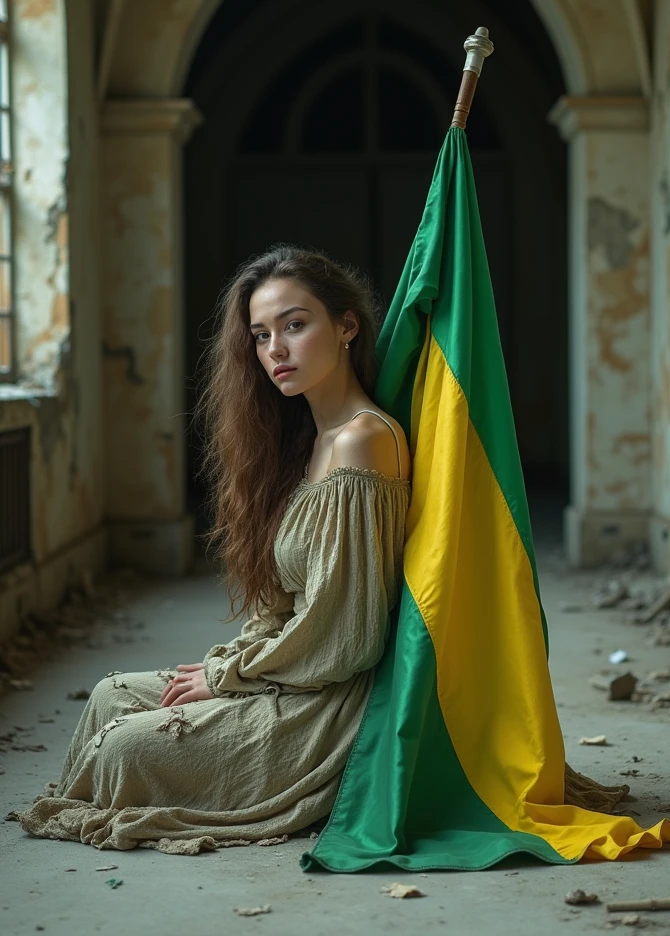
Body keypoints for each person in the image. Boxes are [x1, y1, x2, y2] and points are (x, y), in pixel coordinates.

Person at [17, 245, 412, 853]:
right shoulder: (311, 438)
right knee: (108, 696)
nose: (275, 350)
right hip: (289, 672)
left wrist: (229, 676)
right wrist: (232, 664)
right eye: (259, 335)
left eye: (295, 325)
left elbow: (347, 637)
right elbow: (287, 606)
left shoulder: (363, 442)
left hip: (326, 706)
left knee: (124, 746)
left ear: (347, 326)